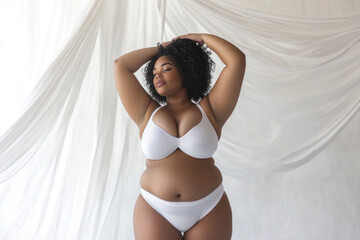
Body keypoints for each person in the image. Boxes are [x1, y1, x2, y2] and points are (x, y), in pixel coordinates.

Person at [113, 33, 245, 240]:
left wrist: (201, 38)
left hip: (209, 207)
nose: (158, 75)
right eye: (154, 72)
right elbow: (121, 66)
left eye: (166, 69)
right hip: (155, 207)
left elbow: (236, 60)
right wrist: (162, 49)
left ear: (186, 70)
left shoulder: (211, 110)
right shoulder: (146, 111)